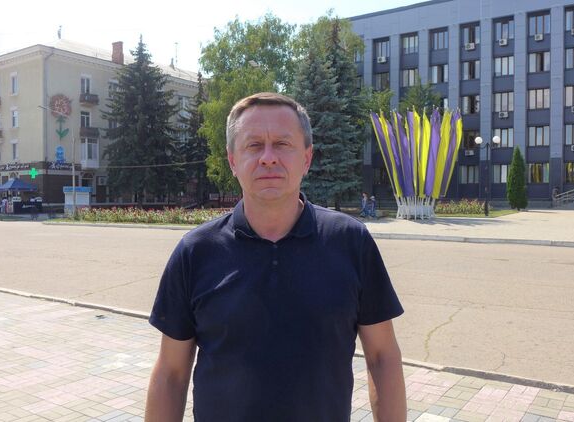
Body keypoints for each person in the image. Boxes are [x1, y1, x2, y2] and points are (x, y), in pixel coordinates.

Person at [146, 92, 406, 421]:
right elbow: (171, 374)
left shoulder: (351, 242)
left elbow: (382, 357)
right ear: (233, 161)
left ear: (307, 158)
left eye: (282, 144)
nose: (268, 158)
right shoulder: (195, 252)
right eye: (254, 145)